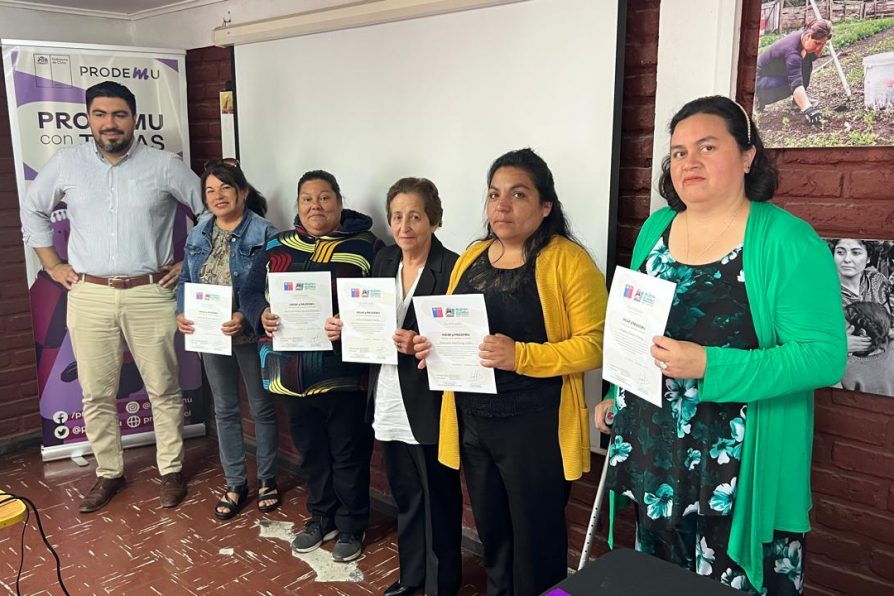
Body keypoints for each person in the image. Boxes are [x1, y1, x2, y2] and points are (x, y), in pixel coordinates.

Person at [595, 96, 846, 594]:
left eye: (707, 147)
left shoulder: (787, 241)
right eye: (680, 152)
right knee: (660, 584)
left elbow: (824, 355)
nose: (690, 162)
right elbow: (638, 328)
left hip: (738, 471)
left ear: (748, 156)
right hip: (657, 459)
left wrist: (709, 364)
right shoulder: (655, 229)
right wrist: (617, 393)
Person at [414, 149, 608, 595]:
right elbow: (454, 325)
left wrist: (521, 356)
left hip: (535, 427)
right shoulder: (473, 256)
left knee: (536, 543)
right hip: (474, 423)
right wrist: (433, 346)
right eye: (494, 194)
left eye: (518, 194)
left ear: (545, 207)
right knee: (495, 536)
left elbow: (596, 344)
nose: (502, 205)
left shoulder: (568, 261)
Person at [20, 80, 205, 513]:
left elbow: (211, 212)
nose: (110, 123)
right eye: (100, 114)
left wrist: (187, 263)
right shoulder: (67, 163)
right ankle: (109, 473)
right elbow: (33, 208)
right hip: (89, 294)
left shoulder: (164, 166)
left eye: (119, 115)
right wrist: (52, 265)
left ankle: (171, 470)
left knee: (163, 387)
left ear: (134, 119)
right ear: (88, 119)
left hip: (150, 293)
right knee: (96, 393)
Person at [325, 178, 462, 596]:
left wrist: (422, 341)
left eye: (415, 216)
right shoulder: (384, 261)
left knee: (438, 496)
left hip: (431, 401)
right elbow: (368, 326)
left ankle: (442, 584)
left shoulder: (453, 267)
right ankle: (413, 576)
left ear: (434, 220)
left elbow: (460, 335)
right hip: (387, 394)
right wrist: (341, 329)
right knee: (405, 493)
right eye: (397, 216)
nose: (405, 225)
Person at [240, 170, 381, 562]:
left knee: (348, 452)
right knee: (313, 453)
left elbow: (380, 303)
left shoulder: (367, 246)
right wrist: (260, 313)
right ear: (298, 205)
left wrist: (349, 324)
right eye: (307, 198)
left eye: (324, 198)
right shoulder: (277, 245)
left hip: (341, 373)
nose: (315, 206)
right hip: (288, 373)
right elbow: (250, 291)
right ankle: (322, 517)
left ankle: (352, 524)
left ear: (339, 201)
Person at [175, 160, 280, 520]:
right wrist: (182, 311)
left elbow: (274, 285)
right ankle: (236, 482)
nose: (217, 196)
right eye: (210, 190)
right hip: (211, 337)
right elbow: (185, 281)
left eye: (225, 188)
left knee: (262, 408)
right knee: (225, 409)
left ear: (243, 192)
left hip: (250, 335)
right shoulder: (199, 233)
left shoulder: (265, 232)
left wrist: (245, 314)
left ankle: (267, 479)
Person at [831, 238, 894, 394]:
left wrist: (885, 336)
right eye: (840, 252)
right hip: (849, 370)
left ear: (867, 258)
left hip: (885, 363)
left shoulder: (879, 280)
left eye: (856, 252)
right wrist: (839, 344)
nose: (847, 259)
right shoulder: (822, 292)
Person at [755, 18, 833, 124]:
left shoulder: (803, 38)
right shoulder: (792, 53)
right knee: (793, 83)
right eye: (817, 43)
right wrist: (808, 109)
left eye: (823, 44)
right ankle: (758, 99)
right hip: (757, 80)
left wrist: (819, 45)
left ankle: (798, 101)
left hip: (775, 73)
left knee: (806, 63)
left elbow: (813, 56)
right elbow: (796, 84)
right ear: (808, 36)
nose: (819, 48)